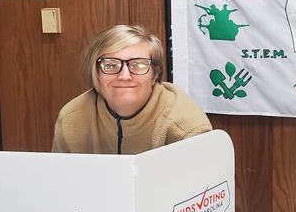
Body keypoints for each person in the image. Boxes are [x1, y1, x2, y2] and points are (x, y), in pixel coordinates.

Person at [52, 25, 211, 154]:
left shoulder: (185, 125)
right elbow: (61, 183)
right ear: (96, 73)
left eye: (138, 64)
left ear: (155, 74)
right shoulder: (71, 118)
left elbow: (201, 188)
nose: (124, 75)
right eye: (110, 65)